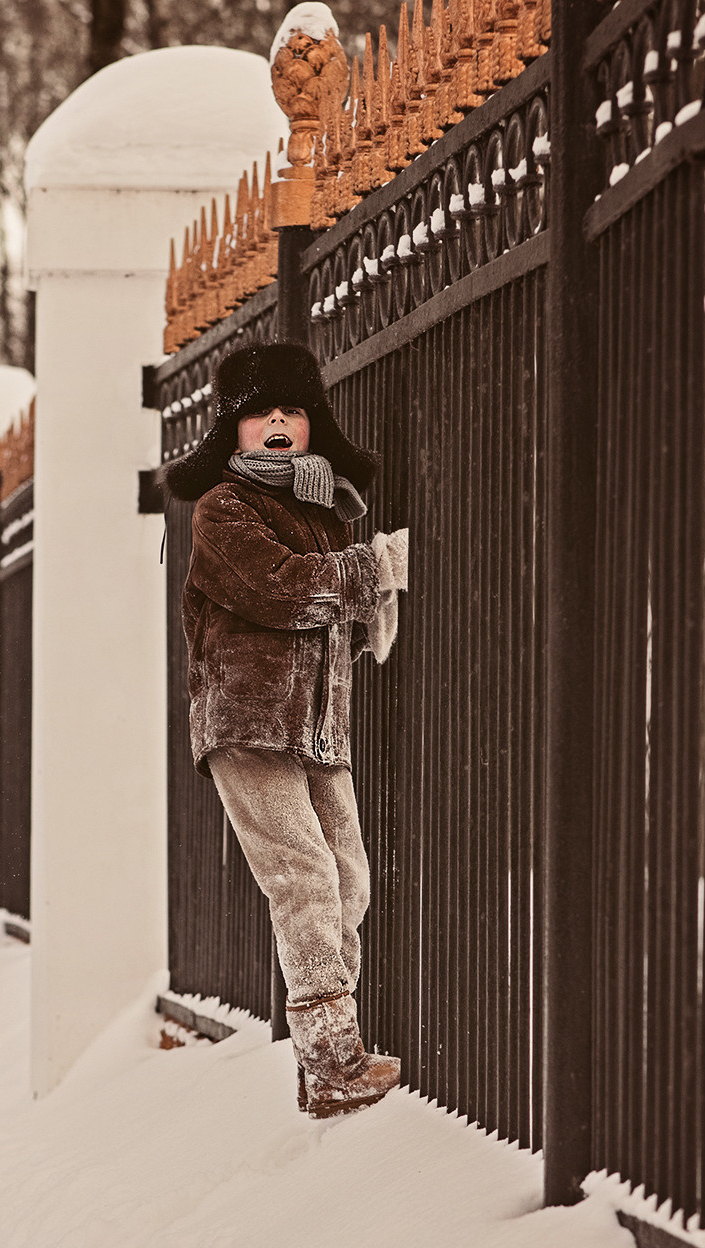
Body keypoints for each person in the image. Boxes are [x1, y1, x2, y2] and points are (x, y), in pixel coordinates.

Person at [161, 341, 408, 1119]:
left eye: (291, 410)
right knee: (302, 876)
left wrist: (372, 602)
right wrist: (369, 570)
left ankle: (321, 1061)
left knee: (348, 878)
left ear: (312, 424)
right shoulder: (223, 509)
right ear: (231, 430)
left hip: (318, 726)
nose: (276, 422)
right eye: (257, 412)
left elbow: (334, 620)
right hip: (247, 722)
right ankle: (333, 1058)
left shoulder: (323, 511)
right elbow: (279, 591)